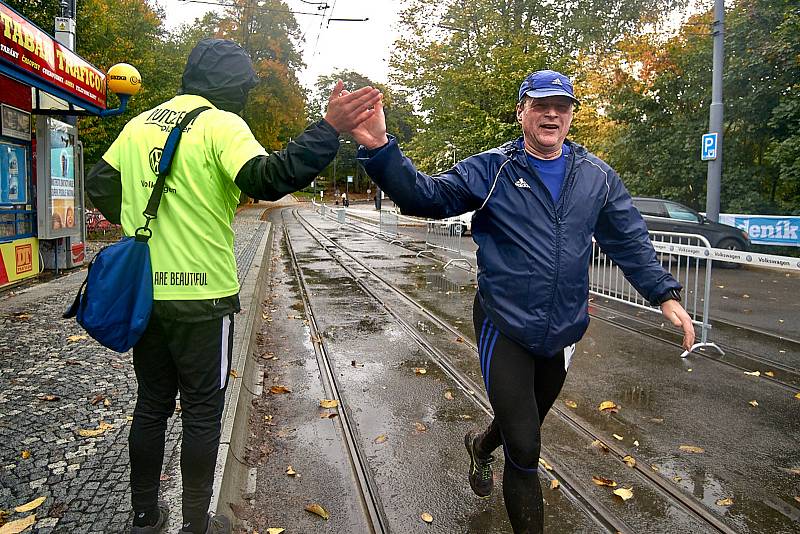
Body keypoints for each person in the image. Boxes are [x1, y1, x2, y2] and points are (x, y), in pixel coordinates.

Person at [351, 70, 695, 533]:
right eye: (540, 105)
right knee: (527, 447)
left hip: (563, 330)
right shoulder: (493, 169)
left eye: (562, 107)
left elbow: (629, 239)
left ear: (571, 115)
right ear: (522, 112)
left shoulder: (596, 177)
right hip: (504, 323)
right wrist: (380, 148)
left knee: (524, 421)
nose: (551, 114)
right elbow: (425, 198)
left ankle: (479, 446)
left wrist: (663, 294)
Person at [86, 38, 380, 534]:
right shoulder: (221, 124)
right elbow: (269, 179)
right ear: (232, 86)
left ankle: (143, 517)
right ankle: (197, 524)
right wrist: (328, 129)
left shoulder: (139, 125)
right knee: (202, 413)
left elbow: (100, 182)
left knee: (151, 404)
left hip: (145, 295)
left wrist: (141, 222)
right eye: (243, 86)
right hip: (204, 297)